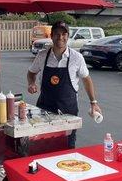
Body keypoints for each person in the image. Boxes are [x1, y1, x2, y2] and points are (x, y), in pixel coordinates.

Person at [27, 20, 102, 149]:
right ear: (51, 36)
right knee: (42, 146)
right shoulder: (42, 56)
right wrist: (31, 83)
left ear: (68, 36)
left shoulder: (76, 58)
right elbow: (31, 72)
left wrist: (93, 102)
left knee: (67, 147)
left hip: (68, 111)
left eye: (64, 34)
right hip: (45, 110)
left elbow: (86, 79)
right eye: (57, 34)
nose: (60, 37)